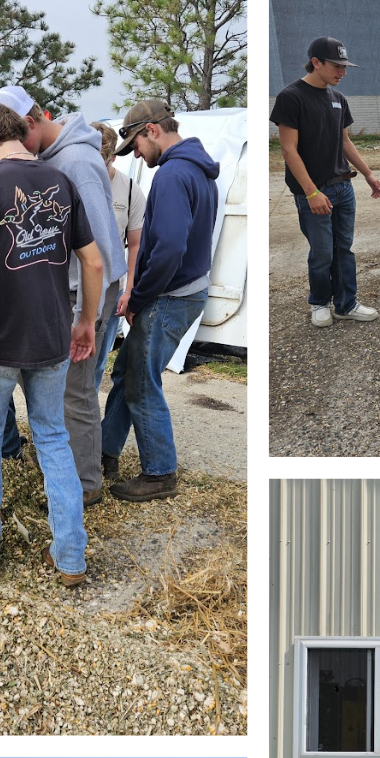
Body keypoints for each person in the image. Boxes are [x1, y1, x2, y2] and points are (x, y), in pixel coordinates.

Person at [0, 102, 100, 578]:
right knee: (53, 439)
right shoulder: (60, 182)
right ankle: (71, 556)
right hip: (51, 336)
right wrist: (86, 321)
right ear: (20, 132)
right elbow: (94, 263)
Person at [0, 85, 127, 506]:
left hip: (87, 292)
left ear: (32, 122)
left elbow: (100, 251)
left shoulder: (76, 163)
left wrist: (88, 317)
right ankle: (70, 468)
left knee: (75, 391)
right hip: (69, 291)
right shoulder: (52, 157)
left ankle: (84, 485)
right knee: (64, 391)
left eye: (13, 138)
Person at [102, 102, 220, 504]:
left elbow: (169, 248)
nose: (135, 154)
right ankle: (104, 453)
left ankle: (159, 473)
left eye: (135, 143)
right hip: (186, 291)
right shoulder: (198, 169)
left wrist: (138, 295)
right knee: (128, 372)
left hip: (170, 296)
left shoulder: (172, 173)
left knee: (141, 384)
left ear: (151, 130)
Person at [271, 37, 380, 326]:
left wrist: (369, 173)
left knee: (343, 249)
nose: (342, 72)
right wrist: (311, 193)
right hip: (314, 191)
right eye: (337, 66)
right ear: (316, 62)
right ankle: (319, 302)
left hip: (343, 187)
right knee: (322, 252)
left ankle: (346, 303)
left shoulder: (338, 99)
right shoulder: (291, 97)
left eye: (345, 67)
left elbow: (344, 141)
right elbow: (288, 149)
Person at [101, 125, 145, 328]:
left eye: (103, 161)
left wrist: (128, 290)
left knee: (100, 356)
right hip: (74, 286)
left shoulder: (129, 190)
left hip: (112, 286)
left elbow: (135, 244)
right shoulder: (72, 181)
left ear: (113, 158)